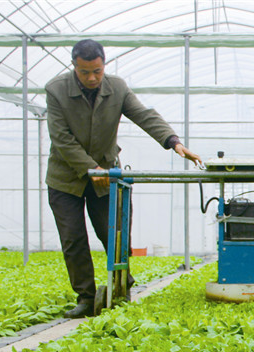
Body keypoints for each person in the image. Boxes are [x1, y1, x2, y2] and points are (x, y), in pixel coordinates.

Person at [45, 39, 202, 318]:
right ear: (74, 67)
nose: (92, 78)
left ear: (104, 65)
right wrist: (91, 169)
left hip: (107, 176)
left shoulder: (116, 88)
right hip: (65, 178)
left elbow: (144, 115)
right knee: (73, 239)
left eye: (97, 71)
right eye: (85, 72)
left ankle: (121, 287)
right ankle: (86, 297)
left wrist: (173, 141)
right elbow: (61, 139)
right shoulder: (56, 90)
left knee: (115, 235)